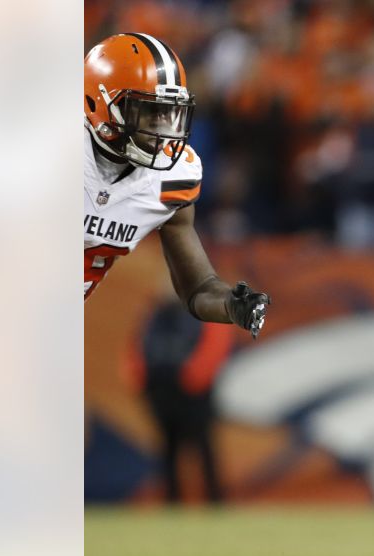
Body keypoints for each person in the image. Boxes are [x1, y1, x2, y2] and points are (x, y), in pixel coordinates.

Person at [84, 33, 270, 338]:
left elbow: (197, 286)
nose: (163, 128)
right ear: (98, 103)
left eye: (168, 113)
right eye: (149, 113)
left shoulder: (171, 178)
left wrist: (230, 306)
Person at [127, 299, 235, 504]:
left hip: (195, 394)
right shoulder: (155, 313)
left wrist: (194, 376)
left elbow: (215, 344)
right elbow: (138, 347)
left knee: (203, 448)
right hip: (162, 391)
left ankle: (215, 502)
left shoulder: (203, 312)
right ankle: (172, 503)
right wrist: (140, 377)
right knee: (168, 450)